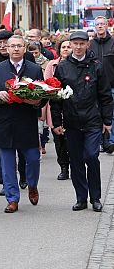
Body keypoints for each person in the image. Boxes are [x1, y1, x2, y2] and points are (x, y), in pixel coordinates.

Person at [51, 31, 113, 212]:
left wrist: (107, 119)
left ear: (88, 45)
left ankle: (95, 197)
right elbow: (56, 96)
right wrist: (57, 122)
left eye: (81, 44)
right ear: (70, 45)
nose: (78, 47)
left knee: (91, 157)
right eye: (75, 44)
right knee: (76, 160)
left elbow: (105, 95)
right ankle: (81, 198)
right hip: (71, 121)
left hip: (92, 119)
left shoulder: (96, 66)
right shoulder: (62, 67)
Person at [0, 35, 45, 213]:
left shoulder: (34, 69)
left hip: (26, 121)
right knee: (7, 164)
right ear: (6, 48)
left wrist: (35, 102)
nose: (15, 49)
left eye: (19, 46)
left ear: (24, 48)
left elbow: (44, 93)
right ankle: (12, 198)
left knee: (32, 159)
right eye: (12, 46)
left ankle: (32, 184)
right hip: (5, 121)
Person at [44, 37, 71, 180]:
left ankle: (73, 164)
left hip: (72, 108)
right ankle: (64, 167)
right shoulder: (52, 65)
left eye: (68, 46)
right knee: (58, 140)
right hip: (54, 106)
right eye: (63, 47)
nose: (66, 49)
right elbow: (46, 85)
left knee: (71, 140)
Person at [88, 16, 114, 153]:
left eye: (102, 24)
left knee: (111, 114)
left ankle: (109, 141)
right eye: (97, 24)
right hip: (94, 85)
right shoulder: (90, 44)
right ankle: (100, 141)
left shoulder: (113, 42)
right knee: (96, 114)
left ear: (106, 26)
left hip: (111, 85)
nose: (100, 26)